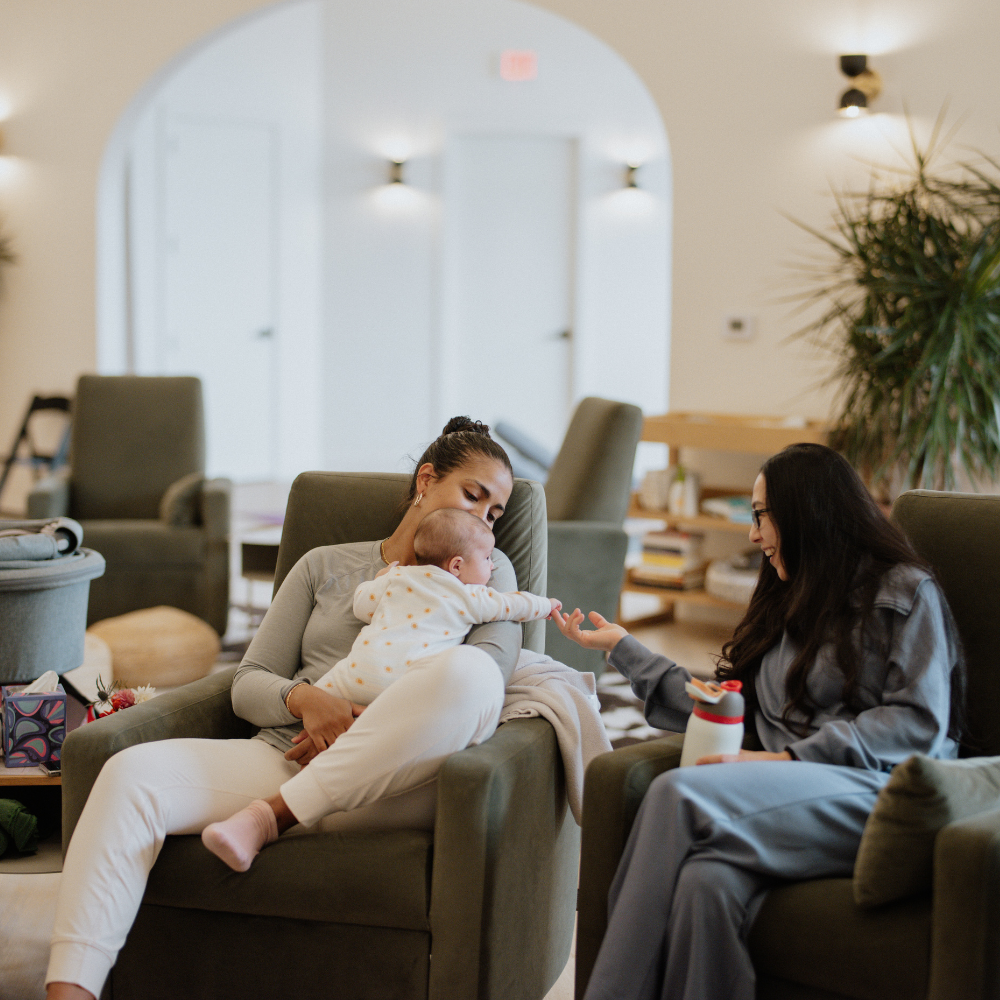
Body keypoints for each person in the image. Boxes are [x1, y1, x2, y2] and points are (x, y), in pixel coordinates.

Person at [46, 417, 524, 1000]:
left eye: (495, 513)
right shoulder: (324, 566)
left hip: (400, 784)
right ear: (426, 481)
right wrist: (308, 699)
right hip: (288, 755)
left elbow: (489, 681)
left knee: (467, 672)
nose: (482, 520)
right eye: (473, 496)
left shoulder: (487, 570)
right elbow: (247, 683)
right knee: (128, 775)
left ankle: (273, 816)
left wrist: (367, 725)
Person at [552, 443, 962, 1000]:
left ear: (806, 511)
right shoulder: (788, 598)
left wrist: (788, 758)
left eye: (760, 514)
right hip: (782, 796)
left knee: (678, 796)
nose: (752, 535)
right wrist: (625, 648)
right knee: (705, 885)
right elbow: (726, 704)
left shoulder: (906, 592)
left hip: (878, 795)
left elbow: (918, 723)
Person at [201, 506, 560, 871]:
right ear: (455, 566)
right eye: (486, 558)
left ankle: (306, 761)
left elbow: (361, 603)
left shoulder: (400, 580)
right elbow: (510, 604)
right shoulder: (468, 596)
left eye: (494, 514)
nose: (493, 566)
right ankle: (275, 812)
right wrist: (547, 605)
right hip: (398, 687)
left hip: (351, 676)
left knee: (324, 704)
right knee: (421, 693)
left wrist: (383, 577)